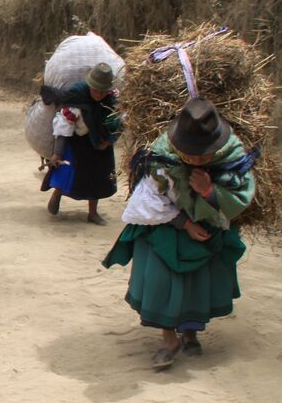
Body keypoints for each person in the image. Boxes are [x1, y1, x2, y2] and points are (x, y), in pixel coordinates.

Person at [102, 98, 256, 370]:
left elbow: (240, 198)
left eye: (203, 154)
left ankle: (190, 332)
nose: (195, 159)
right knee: (162, 279)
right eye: (189, 154)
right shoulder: (161, 156)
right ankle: (168, 338)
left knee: (197, 284)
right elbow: (148, 199)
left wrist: (209, 192)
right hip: (168, 226)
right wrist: (183, 223)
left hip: (210, 224)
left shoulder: (232, 158)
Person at [41, 62, 122, 225]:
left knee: (98, 176)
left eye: (103, 90)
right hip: (77, 140)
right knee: (67, 171)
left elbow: (119, 123)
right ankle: (57, 193)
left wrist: (109, 140)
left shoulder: (113, 100)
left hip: (101, 142)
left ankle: (93, 213)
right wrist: (57, 153)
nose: (99, 94)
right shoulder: (76, 97)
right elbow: (64, 126)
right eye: (95, 89)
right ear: (89, 85)